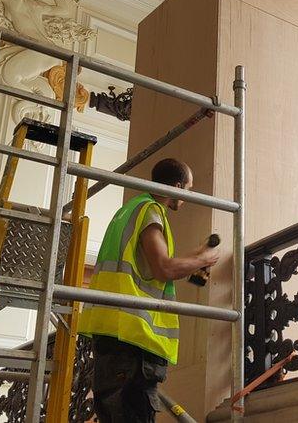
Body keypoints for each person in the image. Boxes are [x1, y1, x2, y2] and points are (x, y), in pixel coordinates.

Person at [79, 158, 220, 422]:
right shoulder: (150, 210)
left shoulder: (129, 210)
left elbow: (149, 265)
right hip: (132, 339)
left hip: (111, 332)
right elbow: (163, 268)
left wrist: (195, 257)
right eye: (187, 190)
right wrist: (204, 260)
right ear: (177, 186)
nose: (186, 196)